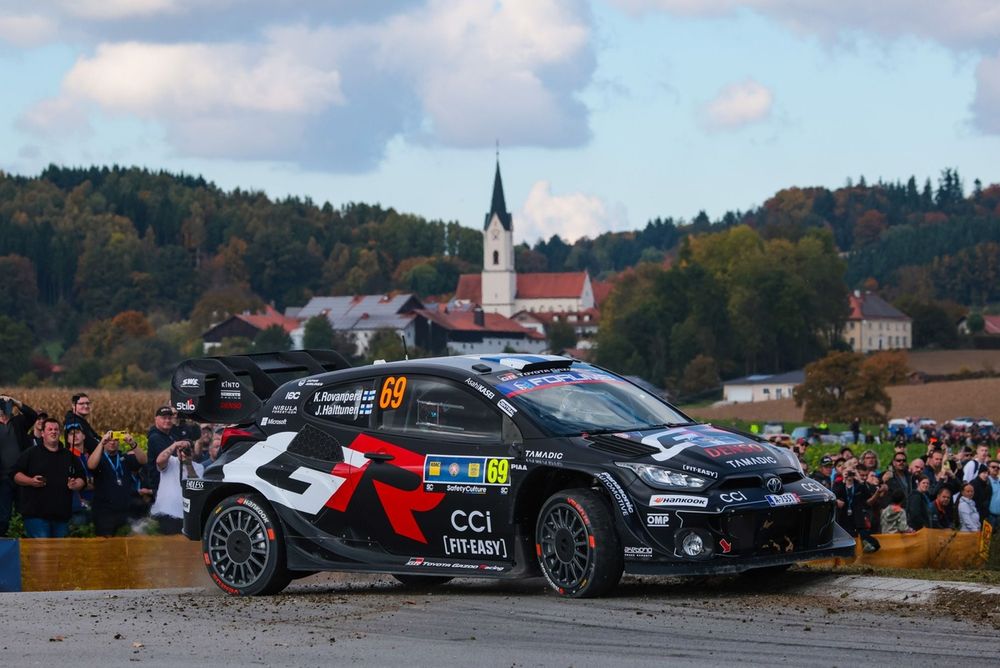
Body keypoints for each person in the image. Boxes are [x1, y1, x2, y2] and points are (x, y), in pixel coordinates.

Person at [12, 418, 87, 538]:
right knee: (42, 550)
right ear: (42, 433)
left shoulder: (69, 456)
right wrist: (30, 481)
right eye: (50, 429)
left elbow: (82, 478)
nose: (53, 432)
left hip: (62, 517)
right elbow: (15, 474)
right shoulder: (31, 453)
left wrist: (75, 484)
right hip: (36, 516)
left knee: (60, 550)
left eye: (56, 429)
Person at [87, 431, 147, 537]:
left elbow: (143, 461)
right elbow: (91, 465)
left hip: (124, 510)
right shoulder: (100, 458)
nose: (112, 442)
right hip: (104, 512)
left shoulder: (124, 458)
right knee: (106, 544)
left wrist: (133, 444)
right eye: (109, 440)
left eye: (115, 440)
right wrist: (101, 443)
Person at [0, 394, 39, 536]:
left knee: (24, 512)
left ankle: (25, 539)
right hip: (3, 478)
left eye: (7, 404)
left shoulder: (18, 422)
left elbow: (33, 415)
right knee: (3, 516)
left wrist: (15, 401)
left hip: (21, 475)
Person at [149, 440, 204, 534]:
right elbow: (159, 461)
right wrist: (175, 445)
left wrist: (188, 464)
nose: (184, 452)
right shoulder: (170, 460)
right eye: (181, 449)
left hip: (183, 517)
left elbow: (195, 487)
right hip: (162, 514)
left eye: (188, 450)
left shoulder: (199, 467)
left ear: (192, 452)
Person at [145, 406, 187, 499]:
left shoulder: (171, 435)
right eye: (164, 418)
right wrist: (175, 445)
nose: (167, 421)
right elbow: (164, 460)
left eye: (169, 418)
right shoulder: (155, 437)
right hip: (160, 488)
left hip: (172, 485)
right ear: (156, 419)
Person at [64, 422, 93, 530]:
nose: (74, 436)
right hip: (78, 507)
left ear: (84, 436)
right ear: (67, 439)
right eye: (71, 434)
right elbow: (71, 483)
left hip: (94, 504)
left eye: (77, 432)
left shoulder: (88, 456)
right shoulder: (66, 457)